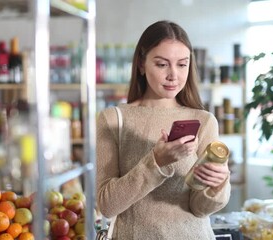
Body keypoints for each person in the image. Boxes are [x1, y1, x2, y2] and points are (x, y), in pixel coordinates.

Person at [96, 20, 231, 239]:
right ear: (141, 64)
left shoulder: (204, 121)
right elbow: (107, 205)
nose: (173, 75)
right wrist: (156, 163)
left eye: (182, 64)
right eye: (162, 64)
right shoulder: (113, 119)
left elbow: (200, 208)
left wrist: (217, 184)